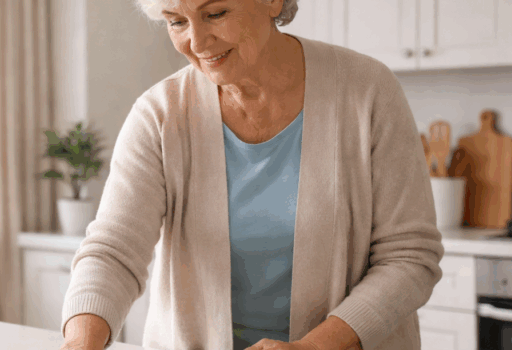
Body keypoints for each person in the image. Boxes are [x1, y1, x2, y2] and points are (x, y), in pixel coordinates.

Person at [59, 0, 445, 349]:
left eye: (215, 14)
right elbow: (113, 251)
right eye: (176, 22)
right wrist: (80, 343)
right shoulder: (159, 115)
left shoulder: (367, 91)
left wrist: (313, 348)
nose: (196, 41)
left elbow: (409, 257)